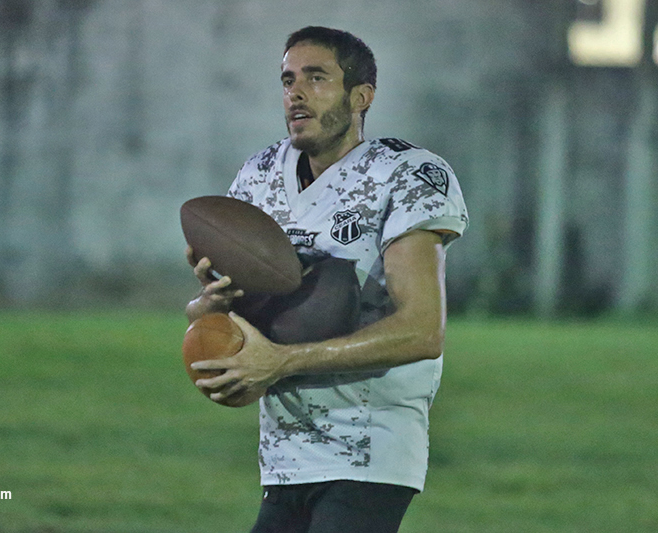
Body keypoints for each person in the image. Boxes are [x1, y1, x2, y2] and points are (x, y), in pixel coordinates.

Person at [185, 26, 468, 533]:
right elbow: (220, 315)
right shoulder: (260, 175)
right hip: (284, 449)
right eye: (288, 79)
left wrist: (282, 361)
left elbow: (424, 329)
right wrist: (213, 308)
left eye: (316, 78)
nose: (295, 92)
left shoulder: (406, 173)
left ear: (361, 96)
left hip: (369, 444)